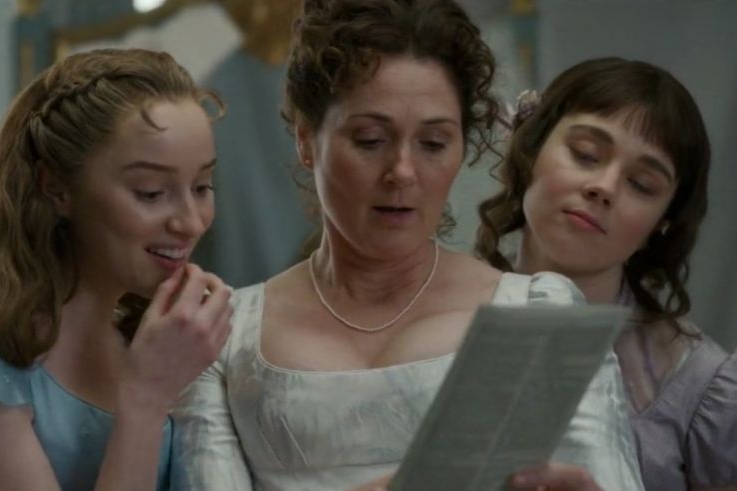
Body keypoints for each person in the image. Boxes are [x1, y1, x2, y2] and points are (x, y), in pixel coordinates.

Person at [171, 2, 643, 490]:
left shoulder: (539, 314)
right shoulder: (224, 335)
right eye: (370, 139)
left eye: (433, 143)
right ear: (307, 140)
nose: (402, 171)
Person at [0, 48, 233, 490]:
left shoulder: (156, 345)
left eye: (202, 187)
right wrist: (145, 398)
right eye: (150, 192)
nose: (190, 222)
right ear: (56, 187)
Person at [476, 57, 737, 490]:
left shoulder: (699, 385)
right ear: (530, 148)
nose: (604, 187)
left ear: (662, 222)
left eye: (642, 184)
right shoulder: (431, 315)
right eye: (585, 154)